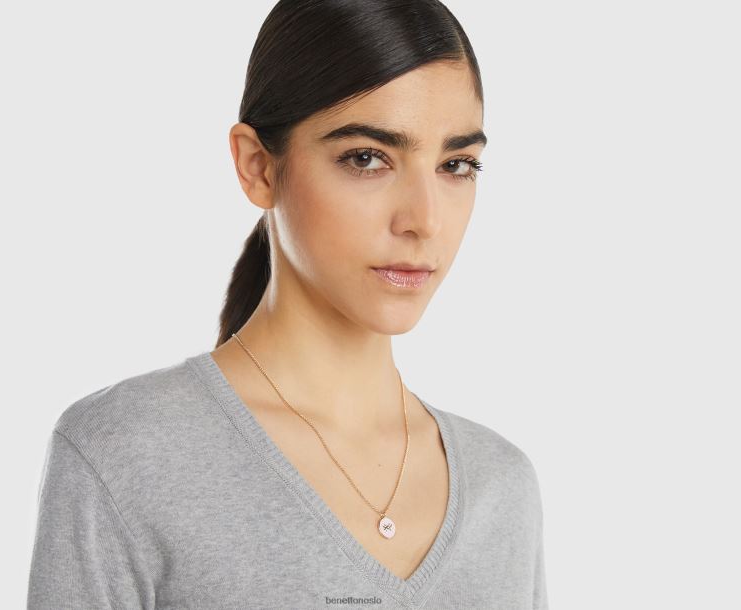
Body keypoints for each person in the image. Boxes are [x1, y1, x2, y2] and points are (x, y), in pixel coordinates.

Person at [27, 1, 548, 608]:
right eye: (367, 158)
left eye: (456, 165)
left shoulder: (501, 487)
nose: (424, 220)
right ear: (258, 167)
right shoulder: (125, 455)